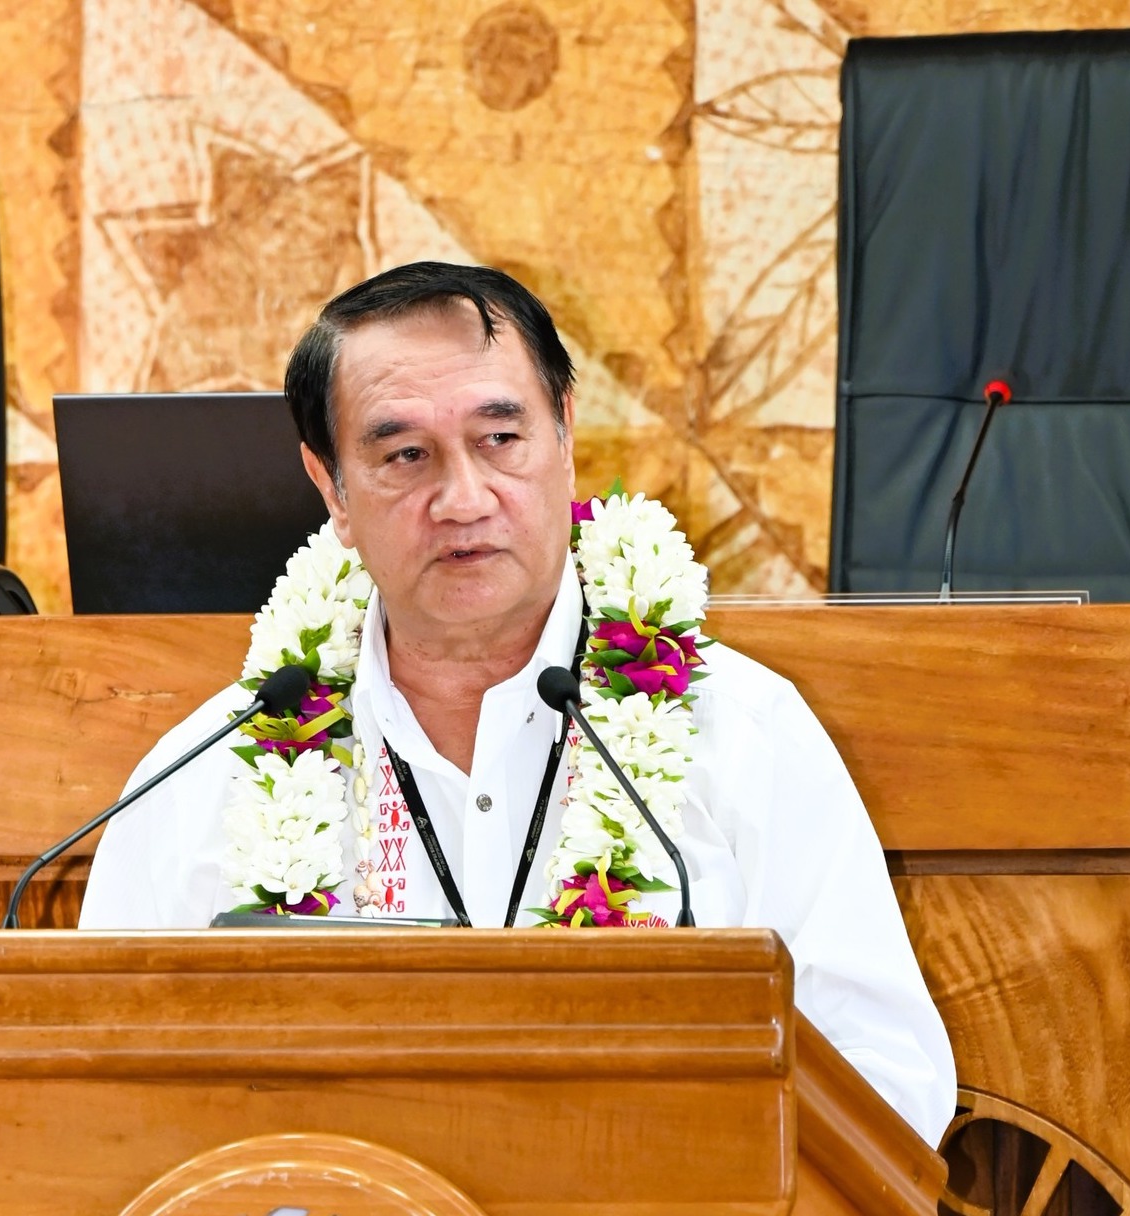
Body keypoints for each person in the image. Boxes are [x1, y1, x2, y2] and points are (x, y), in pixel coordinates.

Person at [80, 261, 957, 1145]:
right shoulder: (201, 778)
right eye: (404, 455)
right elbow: (98, 1102)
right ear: (330, 489)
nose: (463, 500)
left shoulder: (744, 736)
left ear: (566, 431)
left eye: (500, 439)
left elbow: (887, 1086)